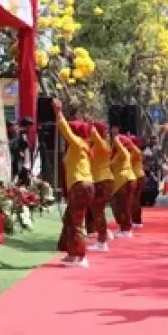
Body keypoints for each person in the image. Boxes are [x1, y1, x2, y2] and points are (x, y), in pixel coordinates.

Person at [51, 99, 93, 268]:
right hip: (80, 185)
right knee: (70, 219)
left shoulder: (77, 144)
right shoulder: (78, 146)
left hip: (80, 185)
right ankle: (72, 253)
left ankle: (80, 256)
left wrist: (58, 112)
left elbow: (66, 131)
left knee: (76, 222)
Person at [88, 121, 115, 252]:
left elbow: (95, 135)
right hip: (103, 180)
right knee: (98, 211)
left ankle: (102, 241)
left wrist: (91, 127)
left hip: (101, 181)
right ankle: (103, 235)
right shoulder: (98, 146)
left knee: (97, 211)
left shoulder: (101, 145)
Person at [110, 134, 137, 238]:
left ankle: (126, 229)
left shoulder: (124, 152)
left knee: (124, 206)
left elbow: (119, 145)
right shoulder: (118, 154)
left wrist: (116, 138)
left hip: (124, 181)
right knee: (121, 206)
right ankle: (123, 228)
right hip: (121, 182)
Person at [129, 136, 146, 228]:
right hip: (140, 175)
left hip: (137, 176)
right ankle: (137, 220)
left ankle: (136, 220)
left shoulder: (135, 151)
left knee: (134, 199)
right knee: (136, 199)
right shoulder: (138, 151)